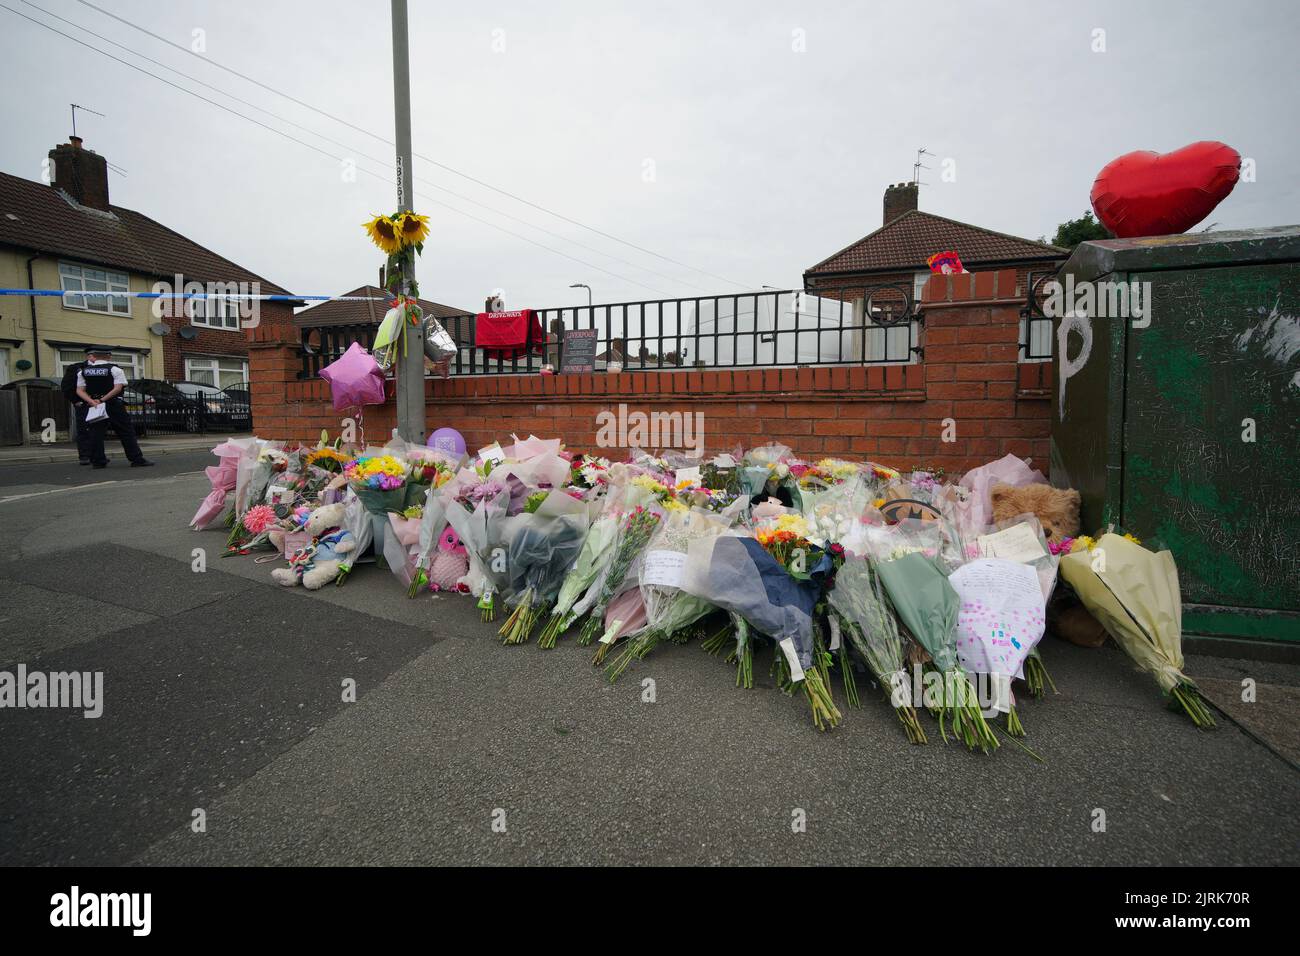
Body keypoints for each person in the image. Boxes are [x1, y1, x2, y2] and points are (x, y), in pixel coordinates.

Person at [75, 346, 154, 469]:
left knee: (96, 433)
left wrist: (92, 401)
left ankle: (98, 461)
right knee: (126, 432)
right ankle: (136, 459)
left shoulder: (83, 371)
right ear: (108, 356)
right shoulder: (115, 370)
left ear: (94, 357)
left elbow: (79, 391)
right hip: (113, 404)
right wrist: (103, 399)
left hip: (95, 405)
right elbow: (117, 388)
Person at [60, 352, 100, 465]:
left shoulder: (104, 368)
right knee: (84, 430)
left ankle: (98, 456)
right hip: (83, 404)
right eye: (94, 356)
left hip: (100, 403)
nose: (96, 359)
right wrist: (76, 401)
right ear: (88, 356)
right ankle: (85, 456)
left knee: (98, 430)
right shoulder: (75, 368)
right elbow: (66, 386)